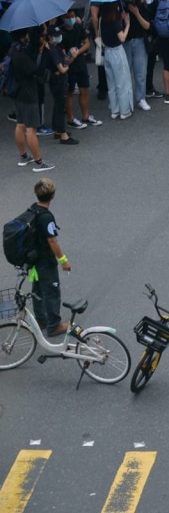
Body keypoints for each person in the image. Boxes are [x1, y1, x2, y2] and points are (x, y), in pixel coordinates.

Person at [27, 178, 71, 337]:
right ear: (52, 195)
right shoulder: (46, 217)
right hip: (45, 261)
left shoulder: (32, 209)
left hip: (34, 259)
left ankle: (40, 320)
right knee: (51, 292)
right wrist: (64, 261)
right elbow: (52, 240)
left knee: (38, 290)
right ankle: (54, 326)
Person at [11, 30, 54, 172]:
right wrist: (41, 53)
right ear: (24, 35)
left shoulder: (14, 50)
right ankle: (39, 163)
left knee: (20, 125)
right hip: (29, 93)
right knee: (31, 129)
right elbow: (36, 71)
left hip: (18, 92)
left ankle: (23, 157)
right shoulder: (23, 55)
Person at [61, 12, 100, 130]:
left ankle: (86, 116)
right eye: (68, 17)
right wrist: (70, 57)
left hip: (80, 62)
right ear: (63, 18)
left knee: (85, 89)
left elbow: (87, 43)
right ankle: (70, 118)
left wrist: (77, 52)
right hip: (69, 65)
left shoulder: (78, 27)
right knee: (69, 92)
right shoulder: (61, 33)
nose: (71, 19)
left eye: (72, 16)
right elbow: (62, 53)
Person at [41, 27, 77, 145]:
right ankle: (63, 135)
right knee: (61, 107)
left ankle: (57, 130)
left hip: (55, 80)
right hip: (58, 81)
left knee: (58, 105)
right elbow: (62, 69)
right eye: (56, 35)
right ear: (50, 37)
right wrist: (69, 65)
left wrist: (70, 56)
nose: (59, 36)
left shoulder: (54, 47)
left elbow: (64, 61)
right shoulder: (52, 50)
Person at [99, 2, 133, 120]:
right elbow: (122, 38)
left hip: (107, 52)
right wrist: (127, 23)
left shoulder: (102, 20)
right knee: (122, 81)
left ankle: (115, 110)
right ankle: (124, 110)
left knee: (111, 83)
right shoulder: (115, 20)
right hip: (117, 52)